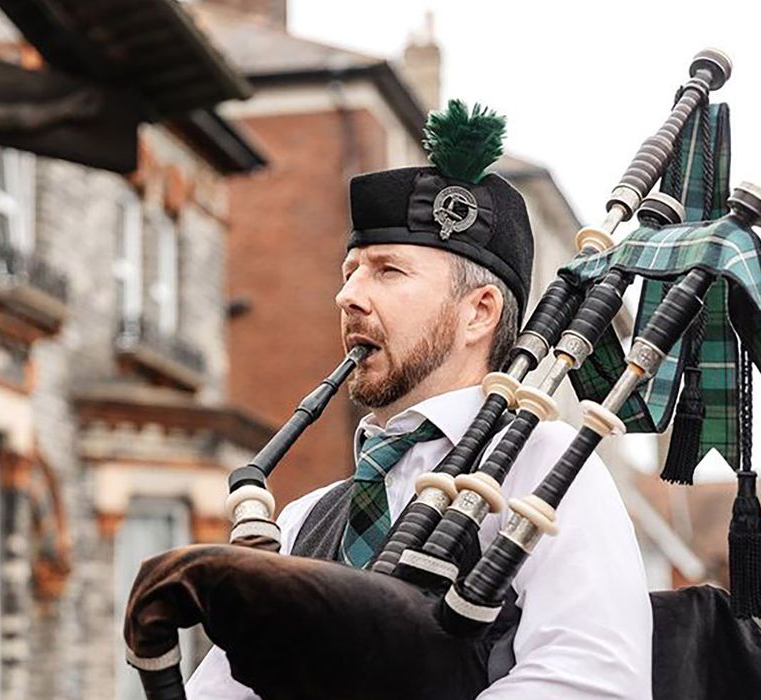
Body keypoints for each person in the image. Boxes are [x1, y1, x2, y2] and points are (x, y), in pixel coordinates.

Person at [186, 101, 652, 700]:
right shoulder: (303, 520)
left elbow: (593, 680)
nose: (347, 295)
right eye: (349, 270)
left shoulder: (548, 468)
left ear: (477, 313)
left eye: (387, 272)